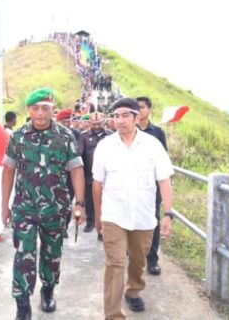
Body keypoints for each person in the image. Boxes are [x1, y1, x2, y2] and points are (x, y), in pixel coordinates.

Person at [1, 88, 86, 319]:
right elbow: (8, 170)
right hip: (24, 208)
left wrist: (80, 203)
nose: (40, 113)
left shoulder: (65, 136)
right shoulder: (17, 136)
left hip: (55, 208)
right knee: (23, 254)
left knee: (52, 253)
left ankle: (48, 290)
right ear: (29, 110)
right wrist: (4, 206)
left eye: (45, 108)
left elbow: (76, 170)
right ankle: (22, 303)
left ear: (52, 110)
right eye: (35, 108)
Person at [92, 98, 174, 319]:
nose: (120, 120)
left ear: (137, 118)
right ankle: (113, 315)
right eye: (116, 116)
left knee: (139, 261)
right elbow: (97, 184)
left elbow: (164, 180)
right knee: (115, 264)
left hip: (143, 216)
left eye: (125, 115)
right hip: (113, 215)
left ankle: (134, 289)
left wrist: (168, 213)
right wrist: (98, 217)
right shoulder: (105, 146)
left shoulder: (152, 145)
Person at [136, 96, 169, 276]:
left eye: (141, 107)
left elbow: (164, 161)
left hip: (151, 187)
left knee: (153, 221)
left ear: (149, 110)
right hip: (131, 185)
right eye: (136, 108)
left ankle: (152, 259)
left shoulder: (157, 132)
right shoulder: (126, 131)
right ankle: (134, 252)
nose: (139, 111)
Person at [77, 112, 112, 240]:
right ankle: (91, 222)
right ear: (89, 123)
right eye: (94, 124)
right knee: (90, 201)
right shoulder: (83, 136)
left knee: (106, 202)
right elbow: (79, 154)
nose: (96, 126)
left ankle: (103, 230)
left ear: (104, 122)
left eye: (99, 123)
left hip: (108, 177)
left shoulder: (111, 136)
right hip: (89, 174)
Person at [55, 108, 80, 238]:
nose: (66, 123)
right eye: (63, 121)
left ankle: (64, 226)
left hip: (71, 174)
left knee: (68, 201)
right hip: (56, 174)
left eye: (68, 120)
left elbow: (79, 156)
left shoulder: (75, 134)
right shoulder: (52, 133)